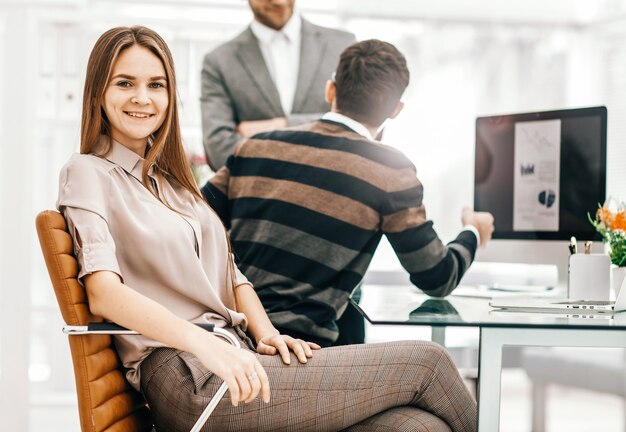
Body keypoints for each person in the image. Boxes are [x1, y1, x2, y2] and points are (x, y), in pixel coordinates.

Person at [57, 25, 477, 432]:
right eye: (125, 84)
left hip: (234, 353)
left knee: (418, 426)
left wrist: (268, 334)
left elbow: (231, 273)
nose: (143, 99)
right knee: (430, 362)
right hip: (186, 373)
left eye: (157, 85)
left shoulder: (174, 187)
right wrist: (204, 345)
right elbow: (103, 292)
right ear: (98, 93)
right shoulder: (88, 172)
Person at [202, 40, 495, 348]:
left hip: (225, 339)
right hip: (303, 355)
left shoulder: (255, 146)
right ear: (395, 110)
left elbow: (190, 222)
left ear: (331, 90)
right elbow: (437, 277)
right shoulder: (390, 171)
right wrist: (473, 229)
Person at [201, 0, 355, 170]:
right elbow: (219, 150)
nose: (279, 2)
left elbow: (362, 126)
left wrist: (281, 125)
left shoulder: (342, 45)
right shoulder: (219, 61)